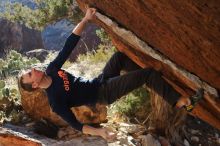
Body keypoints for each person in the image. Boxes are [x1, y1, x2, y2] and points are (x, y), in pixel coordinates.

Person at [19, 8, 204, 141]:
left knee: (120, 57)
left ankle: (144, 80)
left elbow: (68, 47)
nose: (33, 69)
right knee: (148, 74)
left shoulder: (52, 70)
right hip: (103, 93)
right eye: (30, 73)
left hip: (100, 80)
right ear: (35, 85)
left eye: (31, 69)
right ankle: (180, 102)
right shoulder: (55, 101)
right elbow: (76, 125)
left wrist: (85, 20)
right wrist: (100, 132)